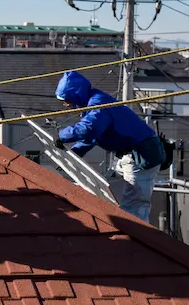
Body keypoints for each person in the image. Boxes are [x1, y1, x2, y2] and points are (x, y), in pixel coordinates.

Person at [54, 71, 166, 222]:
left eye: (67, 99)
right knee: (109, 193)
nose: (66, 104)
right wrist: (74, 153)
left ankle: (135, 239)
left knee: (134, 206)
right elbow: (93, 136)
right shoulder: (94, 103)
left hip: (140, 154)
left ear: (76, 94)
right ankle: (122, 229)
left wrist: (62, 135)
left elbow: (89, 129)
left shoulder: (98, 104)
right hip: (130, 154)